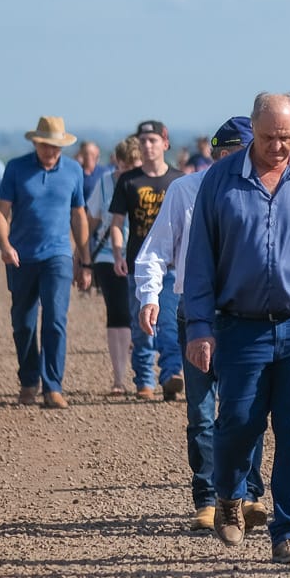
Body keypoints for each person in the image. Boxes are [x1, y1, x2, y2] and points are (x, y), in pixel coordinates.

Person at [182, 92, 290, 565]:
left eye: (288, 138)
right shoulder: (219, 181)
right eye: (270, 137)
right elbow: (199, 263)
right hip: (240, 327)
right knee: (238, 422)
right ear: (252, 131)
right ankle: (230, 495)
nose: (279, 147)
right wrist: (199, 328)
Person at [136, 116, 268, 530]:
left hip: (245, 316)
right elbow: (156, 249)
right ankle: (208, 498)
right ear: (218, 154)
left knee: (246, 408)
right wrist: (149, 296)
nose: (240, 160)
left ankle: (247, 494)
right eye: (231, 153)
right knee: (202, 411)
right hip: (193, 314)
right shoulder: (185, 190)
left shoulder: (263, 192)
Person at [0, 116, 91, 408]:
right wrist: (5, 246)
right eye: (47, 145)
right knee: (23, 323)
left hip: (57, 255)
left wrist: (85, 261)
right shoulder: (16, 169)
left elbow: (79, 215)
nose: (51, 151)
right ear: (36, 143)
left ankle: (53, 386)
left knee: (56, 319)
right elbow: (0, 213)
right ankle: (28, 380)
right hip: (21, 257)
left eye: (57, 146)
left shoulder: (73, 171)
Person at [110, 120, 185, 399]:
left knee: (170, 322)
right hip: (137, 264)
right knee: (141, 324)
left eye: (152, 140)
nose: (147, 146)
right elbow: (116, 223)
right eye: (142, 141)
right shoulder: (129, 181)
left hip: (173, 265)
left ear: (165, 143)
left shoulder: (179, 180)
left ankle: (170, 375)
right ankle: (144, 380)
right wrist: (117, 255)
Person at [87, 138, 137, 394]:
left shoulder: (146, 182)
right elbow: (92, 220)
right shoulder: (105, 183)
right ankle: (119, 378)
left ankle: (145, 373)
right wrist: (82, 256)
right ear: (117, 161)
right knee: (117, 314)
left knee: (139, 316)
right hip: (107, 256)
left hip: (141, 257)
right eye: (125, 165)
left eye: (134, 165)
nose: (129, 171)